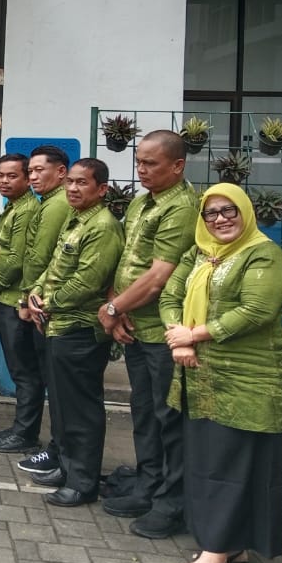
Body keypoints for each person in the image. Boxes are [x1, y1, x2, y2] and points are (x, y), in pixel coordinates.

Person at [160, 184, 282, 563]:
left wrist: (194, 334)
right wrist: (179, 337)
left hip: (252, 380)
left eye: (229, 210)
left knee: (232, 466)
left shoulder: (263, 254)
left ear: (245, 212)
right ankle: (230, 544)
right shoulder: (199, 252)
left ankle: (216, 554)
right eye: (211, 213)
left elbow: (256, 311)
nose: (220, 219)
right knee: (208, 463)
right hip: (203, 377)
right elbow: (170, 295)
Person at [99, 130, 197, 539]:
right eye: (138, 161)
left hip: (162, 332)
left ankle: (173, 502)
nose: (141, 169)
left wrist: (113, 310)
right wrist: (116, 306)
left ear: (177, 166)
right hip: (134, 325)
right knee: (143, 412)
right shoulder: (142, 202)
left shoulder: (182, 207)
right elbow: (125, 260)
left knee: (168, 418)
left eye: (150, 163)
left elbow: (159, 277)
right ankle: (148, 483)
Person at [26, 158, 124, 507]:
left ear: (102, 189)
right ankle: (67, 468)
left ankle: (83, 483)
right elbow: (54, 267)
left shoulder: (103, 226)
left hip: (80, 330)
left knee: (81, 410)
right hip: (58, 325)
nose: (73, 188)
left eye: (83, 183)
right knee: (63, 406)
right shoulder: (75, 218)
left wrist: (48, 303)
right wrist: (36, 293)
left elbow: (88, 281)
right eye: (71, 182)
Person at [15, 144, 72, 480]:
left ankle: (59, 452)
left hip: (50, 306)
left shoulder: (57, 204)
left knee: (56, 386)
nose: (33, 177)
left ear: (61, 171)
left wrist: (27, 299)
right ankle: (56, 449)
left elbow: (40, 257)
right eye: (31, 171)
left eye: (40, 170)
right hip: (41, 300)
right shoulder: (48, 202)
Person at [0, 153, 40, 454]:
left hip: (13, 298)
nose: (3, 181)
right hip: (7, 298)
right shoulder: (13, 207)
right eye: (0, 175)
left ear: (27, 179)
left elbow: (17, 259)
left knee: (23, 370)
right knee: (20, 369)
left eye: (12, 176)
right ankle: (21, 428)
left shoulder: (27, 210)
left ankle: (25, 433)